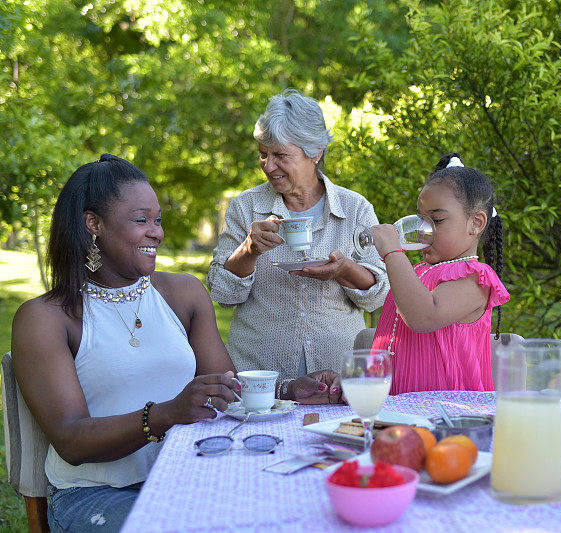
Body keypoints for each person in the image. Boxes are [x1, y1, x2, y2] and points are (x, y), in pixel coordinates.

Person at [10, 155, 342, 533]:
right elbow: (71, 439)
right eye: (141, 220)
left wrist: (288, 389)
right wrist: (165, 414)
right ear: (93, 224)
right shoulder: (46, 318)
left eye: (158, 220)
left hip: (193, 473)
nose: (156, 232)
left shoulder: (182, 293)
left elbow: (225, 385)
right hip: (98, 494)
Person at [207, 88, 389, 390]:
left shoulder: (355, 208)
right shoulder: (245, 207)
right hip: (260, 378)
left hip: (338, 379)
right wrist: (249, 251)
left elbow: (378, 295)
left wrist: (344, 270)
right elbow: (223, 295)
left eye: (280, 155)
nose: (268, 165)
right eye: (263, 154)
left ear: (315, 152)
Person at [368, 153, 510, 394]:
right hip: (393, 411)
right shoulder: (416, 272)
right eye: (421, 220)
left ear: (476, 223)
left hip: (446, 416)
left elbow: (423, 316)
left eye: (437, 220)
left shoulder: (476, 277)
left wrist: (393, 251)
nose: (424, 231)